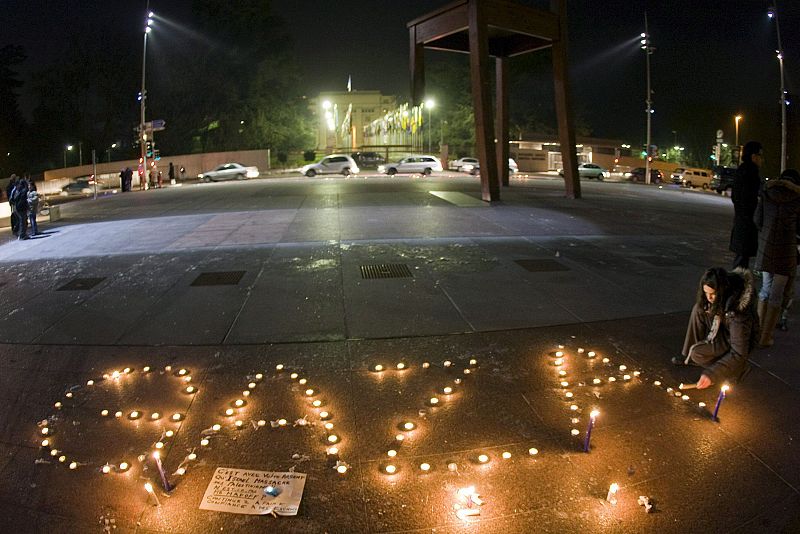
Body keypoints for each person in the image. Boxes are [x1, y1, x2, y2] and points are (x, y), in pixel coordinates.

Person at [672, 267, 759, 389]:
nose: (709, 297)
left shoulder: (738, 314)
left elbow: (739, 352)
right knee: (699, 308)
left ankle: (739, 369)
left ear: (723, 290)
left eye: (713, 294)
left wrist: (712, 374)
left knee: (698, 354)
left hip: (734, 340)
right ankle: (688, 356)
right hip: (723, 329)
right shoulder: (722, 298)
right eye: (706, 293)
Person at [753, 169, 800, 346]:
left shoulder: (767, 193)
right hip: (786, 251)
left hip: (766, 248)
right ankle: (766, 337)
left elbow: (757, 220)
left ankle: (757, 333)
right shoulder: (797, 198)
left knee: (765, 290)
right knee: (777, 294)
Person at [729, 141, 763, 269]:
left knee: (741, 259)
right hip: (747, 223)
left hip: (741, 222)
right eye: (761, 156)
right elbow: (749, 199)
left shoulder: (741, 170)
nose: (762, 160)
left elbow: (735, 197)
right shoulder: (751, 173)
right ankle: (736, 286)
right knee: (741, 262)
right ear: (754, 156)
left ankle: (737, 285)